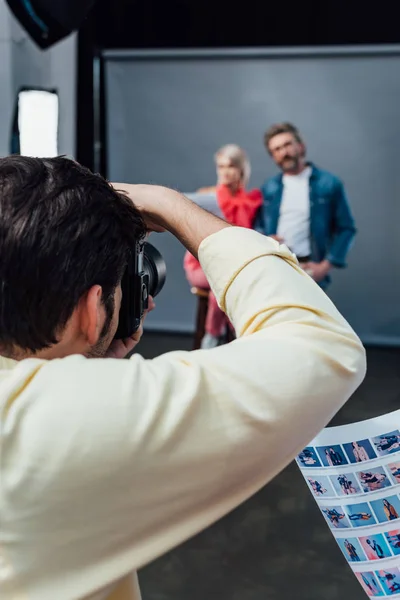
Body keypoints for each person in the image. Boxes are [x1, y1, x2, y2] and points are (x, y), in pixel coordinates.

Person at [0, 156, 365, 600]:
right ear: (91, 311)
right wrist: (167, 204)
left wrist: (86, 364)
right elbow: (322, 345)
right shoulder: (41, 422)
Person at [254, 122, 356, 289]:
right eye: (277, 149)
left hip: (308, 268)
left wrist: (326, 265)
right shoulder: (269, 187)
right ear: (273, 156)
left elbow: (346, 228)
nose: (284, 152)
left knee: (306, 315)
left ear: (300, 146)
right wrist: (265, 240)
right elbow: (258, 226)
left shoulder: (328, 183)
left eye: (287, 145)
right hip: (275, 265)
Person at [183, 144, 262, 349]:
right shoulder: (208, 195)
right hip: (201, 263)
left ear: (241, 169)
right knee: (226, 281)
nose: (225, 172)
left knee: (229, 279)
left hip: (232, 264)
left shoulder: (250, 201)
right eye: (221, 166)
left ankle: (217, 338)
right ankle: (221, 334)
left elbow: (250, 236)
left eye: (231, 166)